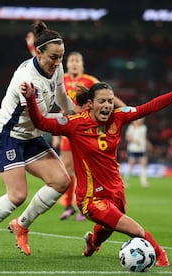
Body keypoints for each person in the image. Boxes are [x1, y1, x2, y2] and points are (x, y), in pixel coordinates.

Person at [21, 67, 172, 266]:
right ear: (90, 104)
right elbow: (41, 122)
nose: (107, 105)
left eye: (110, 100)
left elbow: (150, 106)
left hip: (116, 192)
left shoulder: (119, 117)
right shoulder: (74, 124)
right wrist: (31, 98)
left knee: (106, 228)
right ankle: (159, 254)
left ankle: (92, 243)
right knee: (136, 231)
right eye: (102, 101)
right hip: (91, 198)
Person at [0, 21, 75, 262]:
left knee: (61, 181)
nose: (58, 63)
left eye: (61, 57)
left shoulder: (56, 69)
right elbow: (41, 121)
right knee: (17, 195)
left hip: (29, 135)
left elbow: (63, 100)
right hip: (7, 136)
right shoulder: (27, 79)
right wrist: (71, 124)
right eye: (53, 57)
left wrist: (80, 115)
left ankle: (21, 225)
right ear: (38, 52)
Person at [28, 34, 127, 221]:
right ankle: (69, 205)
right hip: (69, 129)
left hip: (87, 131)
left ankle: (88, 202)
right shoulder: (61, 78)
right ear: (67, 64)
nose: (74, 64)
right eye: (71, 61)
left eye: (77, 61)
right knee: (66, 168)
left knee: (87, 168)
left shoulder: (90, 81)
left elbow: (108, 97)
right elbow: (43, 72)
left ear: (82, 64)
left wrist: (124, 108)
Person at [123, 118, 153, 188]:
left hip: (142, 149)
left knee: (144, 164)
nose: (141, 120)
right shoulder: (131, 127)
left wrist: (148, 144)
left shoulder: (144, 128)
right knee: (131, 164)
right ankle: (125, 181)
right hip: (133, 149)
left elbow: (144, 138)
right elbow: (127, 137)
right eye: (140, 119)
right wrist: (135, 140)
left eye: (142, 119)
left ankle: (143, 182)